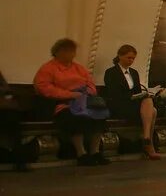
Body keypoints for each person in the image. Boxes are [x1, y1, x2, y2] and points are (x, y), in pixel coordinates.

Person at [33, 38, 110, 166]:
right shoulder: (48, 68)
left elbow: (90, 84)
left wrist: (87, 93)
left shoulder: (79, 68)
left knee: (100, 113)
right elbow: (44, 87)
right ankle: (81, 153)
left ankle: (95, 151)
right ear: (57, 52)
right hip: (63, 103)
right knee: (75, 116)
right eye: (67, 51)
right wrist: (70, 94)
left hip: (83, 100)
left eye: (72, 51)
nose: (70, 54)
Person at [103, 44, 162, 159]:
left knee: (149, 102)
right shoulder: (111, 72)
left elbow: (138, 91)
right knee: (152, 111)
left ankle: (146, 139)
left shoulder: (134, 73)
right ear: (120, 56)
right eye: (128, 58)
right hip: (119, 104)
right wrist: (131, 96)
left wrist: (144, 94)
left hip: (133, 103)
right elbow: (113, 92)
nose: (131, 61)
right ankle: (148, 144)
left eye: (133, 58)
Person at [0, 70, 30, 171]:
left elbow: (6, 89)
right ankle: (19, 159)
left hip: (4, 109)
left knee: (13, 120)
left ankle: (19, 159)